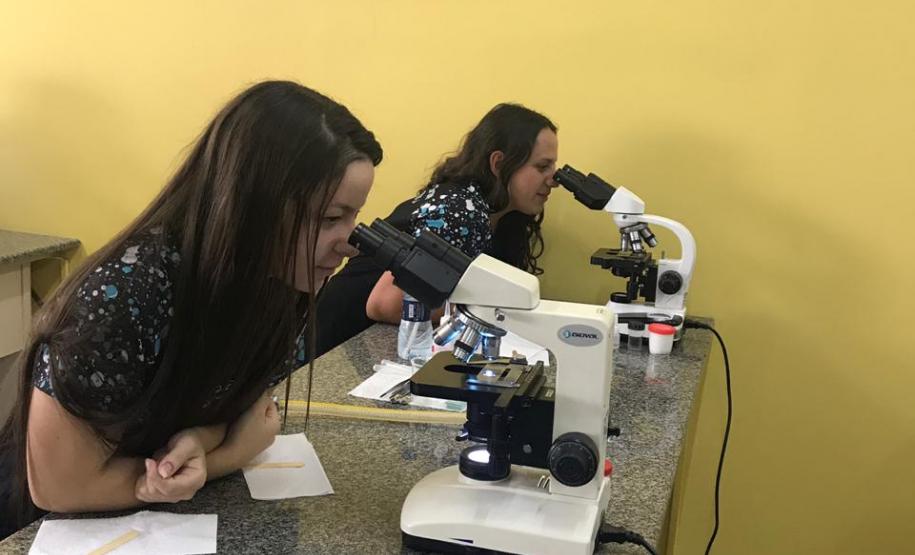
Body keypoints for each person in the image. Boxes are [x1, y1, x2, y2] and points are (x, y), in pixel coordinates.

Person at [0, 80, 382, 538]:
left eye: (354, 216)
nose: (350, 243)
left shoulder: (279, 278)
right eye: (329, 219)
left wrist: (200, 441)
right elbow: (60, 487)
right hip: (42, 525)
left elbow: (246, 408)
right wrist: (227, 456)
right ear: (249, 204)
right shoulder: (124, 293)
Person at [314, 103, 558, 357]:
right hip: (341, 341)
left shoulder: (503, 219)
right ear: (499, 163)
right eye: (542, 167)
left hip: (380, 341)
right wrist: (492, 304)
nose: (553, 180)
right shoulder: (458, 210)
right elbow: (384, 304)